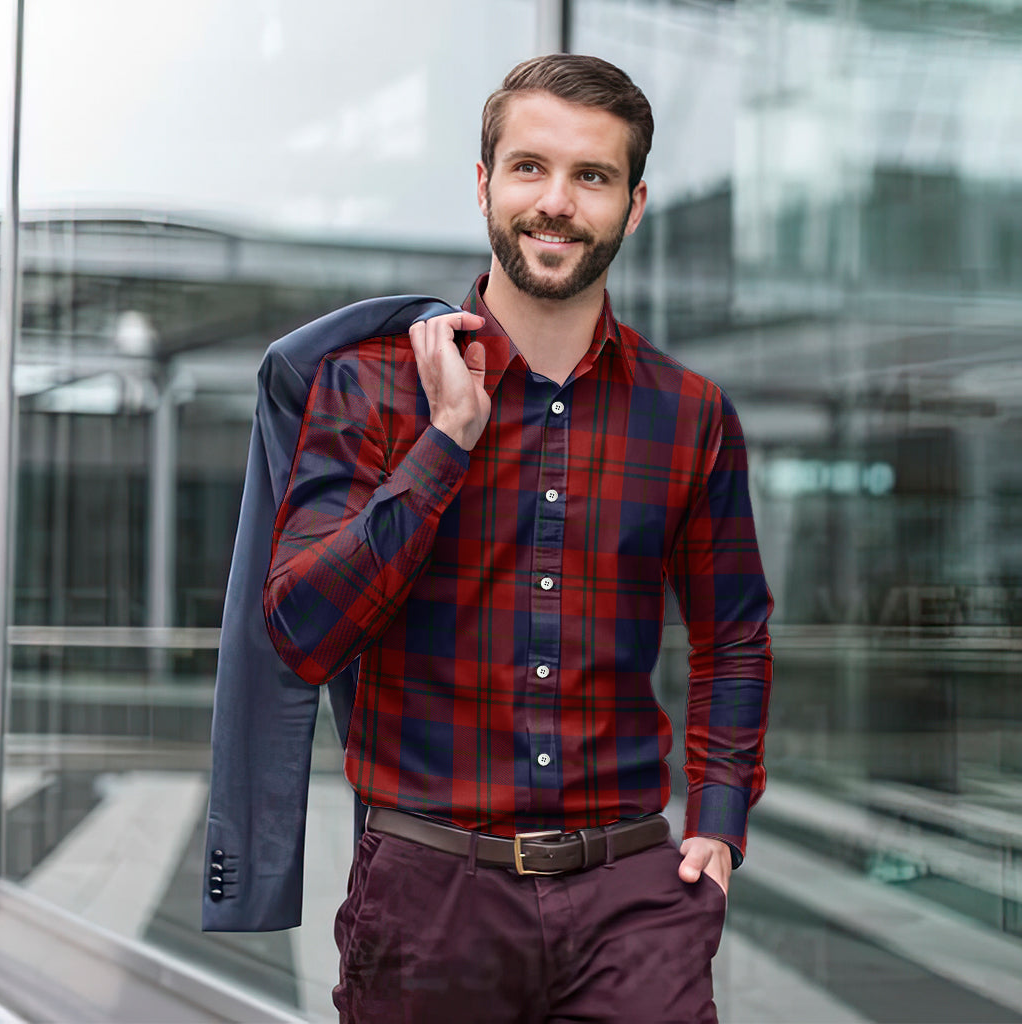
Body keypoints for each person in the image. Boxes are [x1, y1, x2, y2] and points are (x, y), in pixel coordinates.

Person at [262, 53, 773, 1024]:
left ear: (634, 203)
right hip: (430, 899)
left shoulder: (689, 414)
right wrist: (446, 442)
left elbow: (733, 633)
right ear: (485, 182)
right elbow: (301, 632)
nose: (557, 202)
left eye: (593, 176)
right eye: (531, 167)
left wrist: (716, 822)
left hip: (632, 898)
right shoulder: (368, 388)